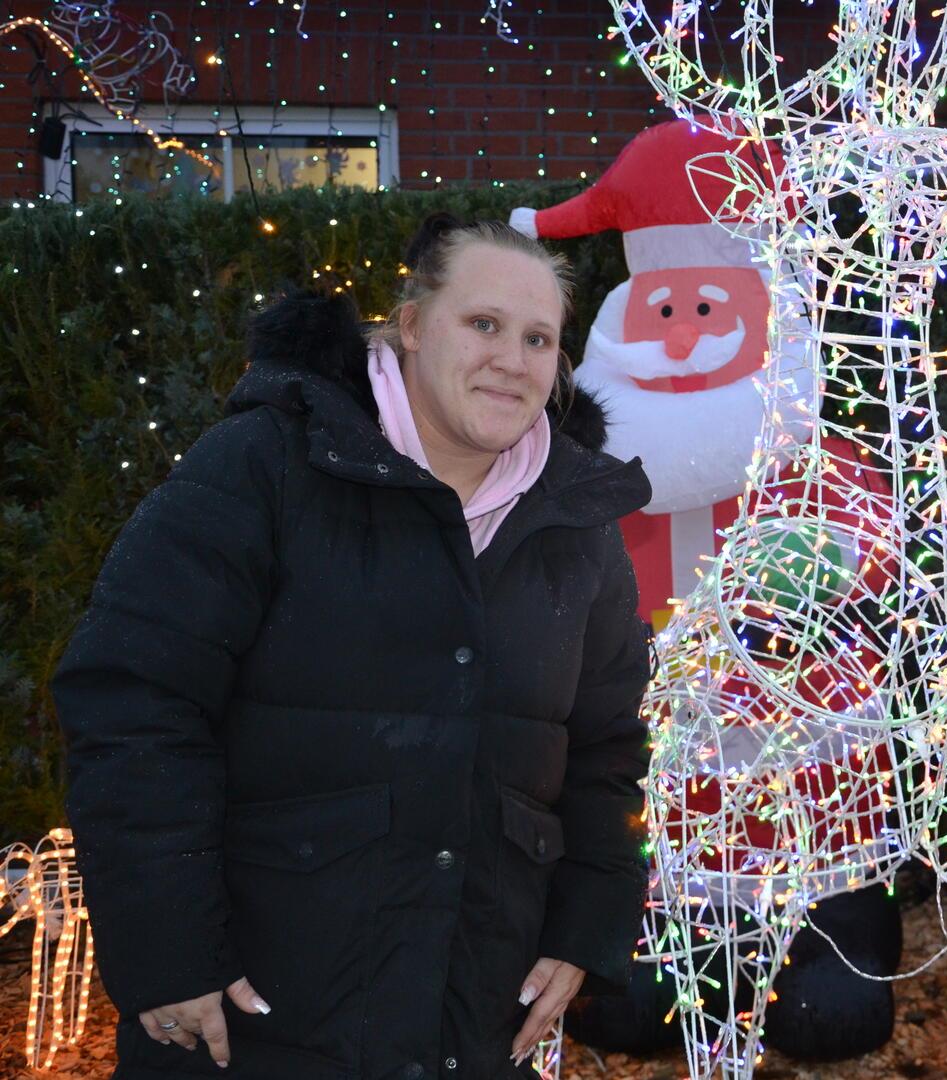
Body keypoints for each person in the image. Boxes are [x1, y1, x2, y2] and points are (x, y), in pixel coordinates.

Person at [52, 214, 653, 1079]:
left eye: (537, 338)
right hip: (259, 1016)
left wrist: (584, 928)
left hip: (473, 1014)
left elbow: (605, 747)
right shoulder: (267, 464)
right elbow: (133, 699)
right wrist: (169, 949)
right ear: (409, 325)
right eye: (482, 324)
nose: (510, 360)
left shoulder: (576, 525)